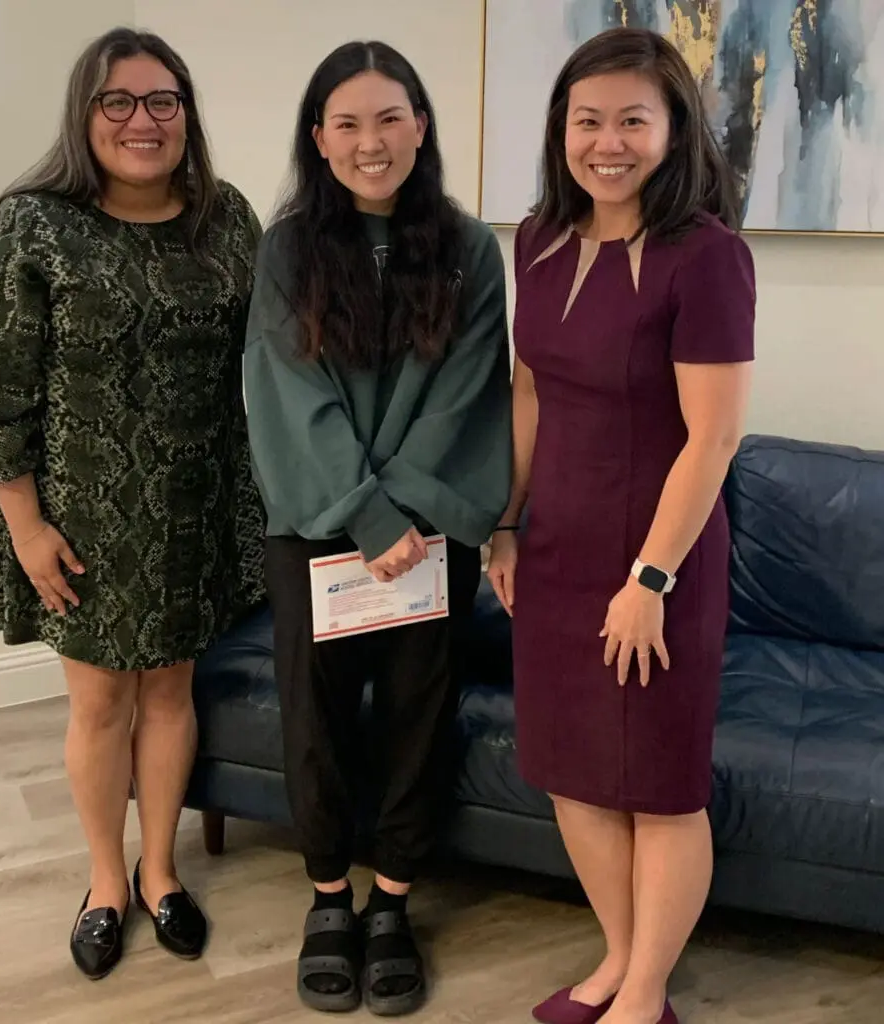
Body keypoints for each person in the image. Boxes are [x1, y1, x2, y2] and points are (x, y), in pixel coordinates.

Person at [0, 28, 266, 980]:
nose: (142, 120)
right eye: (117, 101)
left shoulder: (227, 217)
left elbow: (277, 351)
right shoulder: (32, 224)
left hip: (197, 501)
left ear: (186, 115)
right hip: (76, 516)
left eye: (163, 100)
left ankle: (160, 871)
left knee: (170, 693)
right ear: (85, 114)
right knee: (99, 704)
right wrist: (26, 527)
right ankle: (103, 884)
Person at [487, 27, 755, 1024]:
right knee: (571, 770)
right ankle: (615, 954)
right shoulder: (536, 239)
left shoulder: (708, 258)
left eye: (631, 121)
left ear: (672, 129)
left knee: (658, 783)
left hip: (659, 560)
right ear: (561, 129)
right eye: (586, 120)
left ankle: (644, 994)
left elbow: (713, 438)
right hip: (553, 546)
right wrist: (503, 522)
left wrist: (647, 582)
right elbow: (528, 394)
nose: (607, 142)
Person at [243, 40, 512, 1017]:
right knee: (314, 722)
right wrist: (360, 511)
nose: (370, 141)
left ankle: (391, 899)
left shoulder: (470, 248)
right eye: (347, 123)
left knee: (416, 715)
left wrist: (400, 511)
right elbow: (283, 392)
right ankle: (327, 897)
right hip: (315, 525)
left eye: (389, 118)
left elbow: (468, 393)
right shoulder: (284, 250)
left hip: (430, 528)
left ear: (420, 126)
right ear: (318, 138)